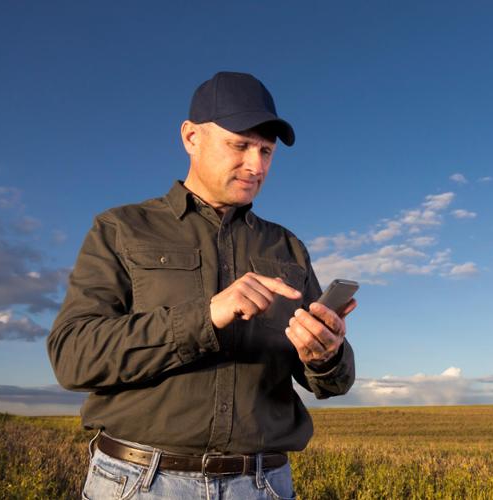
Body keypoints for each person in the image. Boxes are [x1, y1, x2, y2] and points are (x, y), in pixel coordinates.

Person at [47, 71, 356, 499]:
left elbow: (331, 383)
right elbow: (72, 357)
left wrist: (326, 355)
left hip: (262, 484)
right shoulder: (121, 228)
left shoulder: (288, 247)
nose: (257, 165)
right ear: (191, 137)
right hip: (140, 482)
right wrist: (206, 316)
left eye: (266, 151)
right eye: (240, 145)